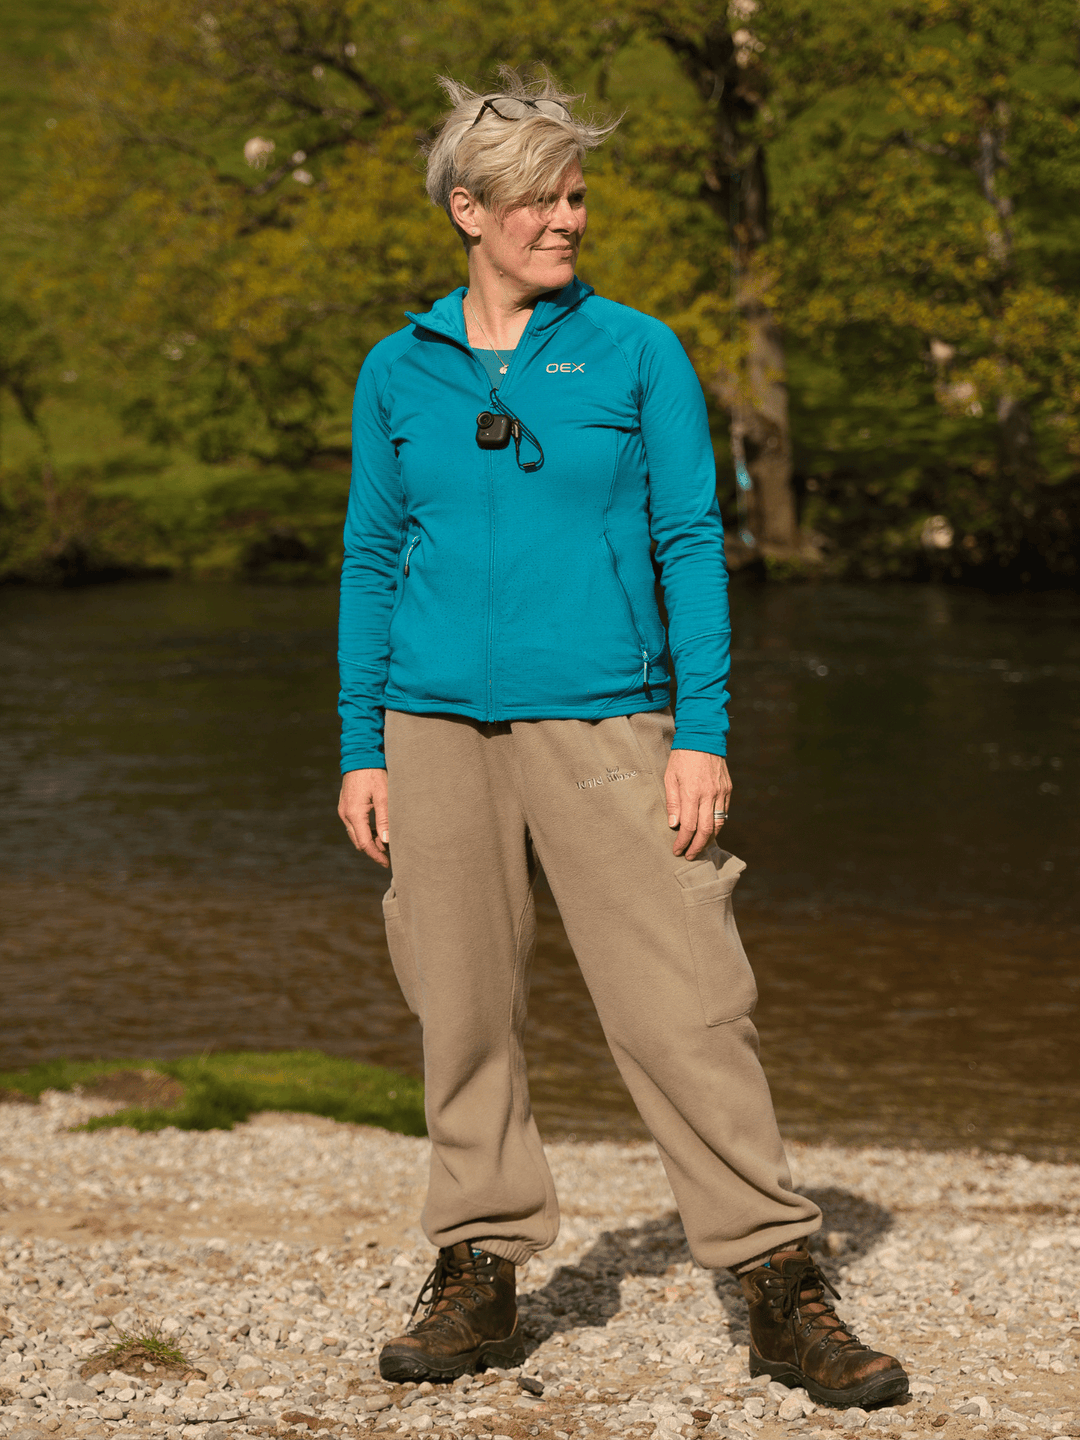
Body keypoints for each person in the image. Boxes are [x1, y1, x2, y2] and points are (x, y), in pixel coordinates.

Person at [337, 71, 908, 1411]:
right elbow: (370, 558)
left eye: (579, 193)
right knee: (461, 1002)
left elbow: (689, 545)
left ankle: (776, 1279)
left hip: (607, 718)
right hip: (429, 727)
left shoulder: (639, 351)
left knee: (685, 1001)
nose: (569, 217)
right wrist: (363, 742)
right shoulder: (398, 368)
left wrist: (700, 735)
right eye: (542, 195)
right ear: (469, 211)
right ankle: (479, 1265)